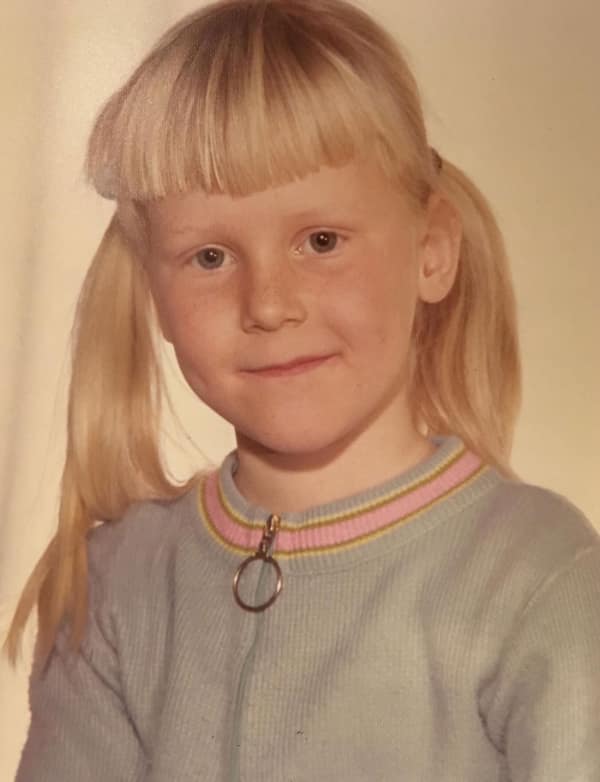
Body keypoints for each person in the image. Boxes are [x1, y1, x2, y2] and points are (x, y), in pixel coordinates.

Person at [5, 0, 600, 779]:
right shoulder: (116, 587)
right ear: (155, 293)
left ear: (430, 254)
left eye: (321, 241)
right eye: (211, 257)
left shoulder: (540, 581)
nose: (269, 304)